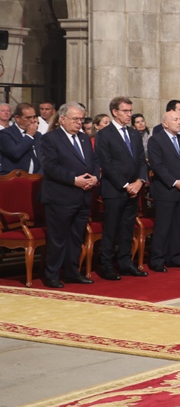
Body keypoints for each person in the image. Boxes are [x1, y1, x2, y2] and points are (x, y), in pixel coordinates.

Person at [38, 103, 97, 287]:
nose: (79, 123)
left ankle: (73, 272)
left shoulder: (84, 138)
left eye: (81, 119)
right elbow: (50, 167)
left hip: (83, 196)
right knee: (58, 238)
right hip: (60, 196)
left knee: (76, 237)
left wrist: (95, 177)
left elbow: (93, 161)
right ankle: (52, 275)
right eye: (75, 119)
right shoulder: (50, 139)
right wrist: (74, 180)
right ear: (62, 119)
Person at [94, 97, 149, 280]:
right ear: (115, 112)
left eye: (130, 111)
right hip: (115, 189)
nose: (129, 114)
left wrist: (140, 181)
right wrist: (126, 185)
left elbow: (142, 160)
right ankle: (107, 265)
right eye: (125, 111)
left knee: (127, 228)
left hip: (134, 189)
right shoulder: (104, 134)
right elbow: (107, 164)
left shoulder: (133, 133)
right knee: (111, 229)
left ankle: (126, 263)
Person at [146, 110, 180, 271]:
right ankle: (157, 260)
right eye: (176, 120)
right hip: (165, 190)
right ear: (165, 123)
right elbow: (157, 166)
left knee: (178, 226)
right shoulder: (156, 140)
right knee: (163, 226)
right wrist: (175, 183)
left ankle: (174, 257)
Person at [0, 103, 41, 173]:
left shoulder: (38, 135)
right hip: (14, 178)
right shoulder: (5, 134)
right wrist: (29, 135)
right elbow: (15, 153)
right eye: (28, 117)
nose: (32, 120)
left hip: (36, 178)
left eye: (34, 117)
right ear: (17, 118)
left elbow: (44, 158)